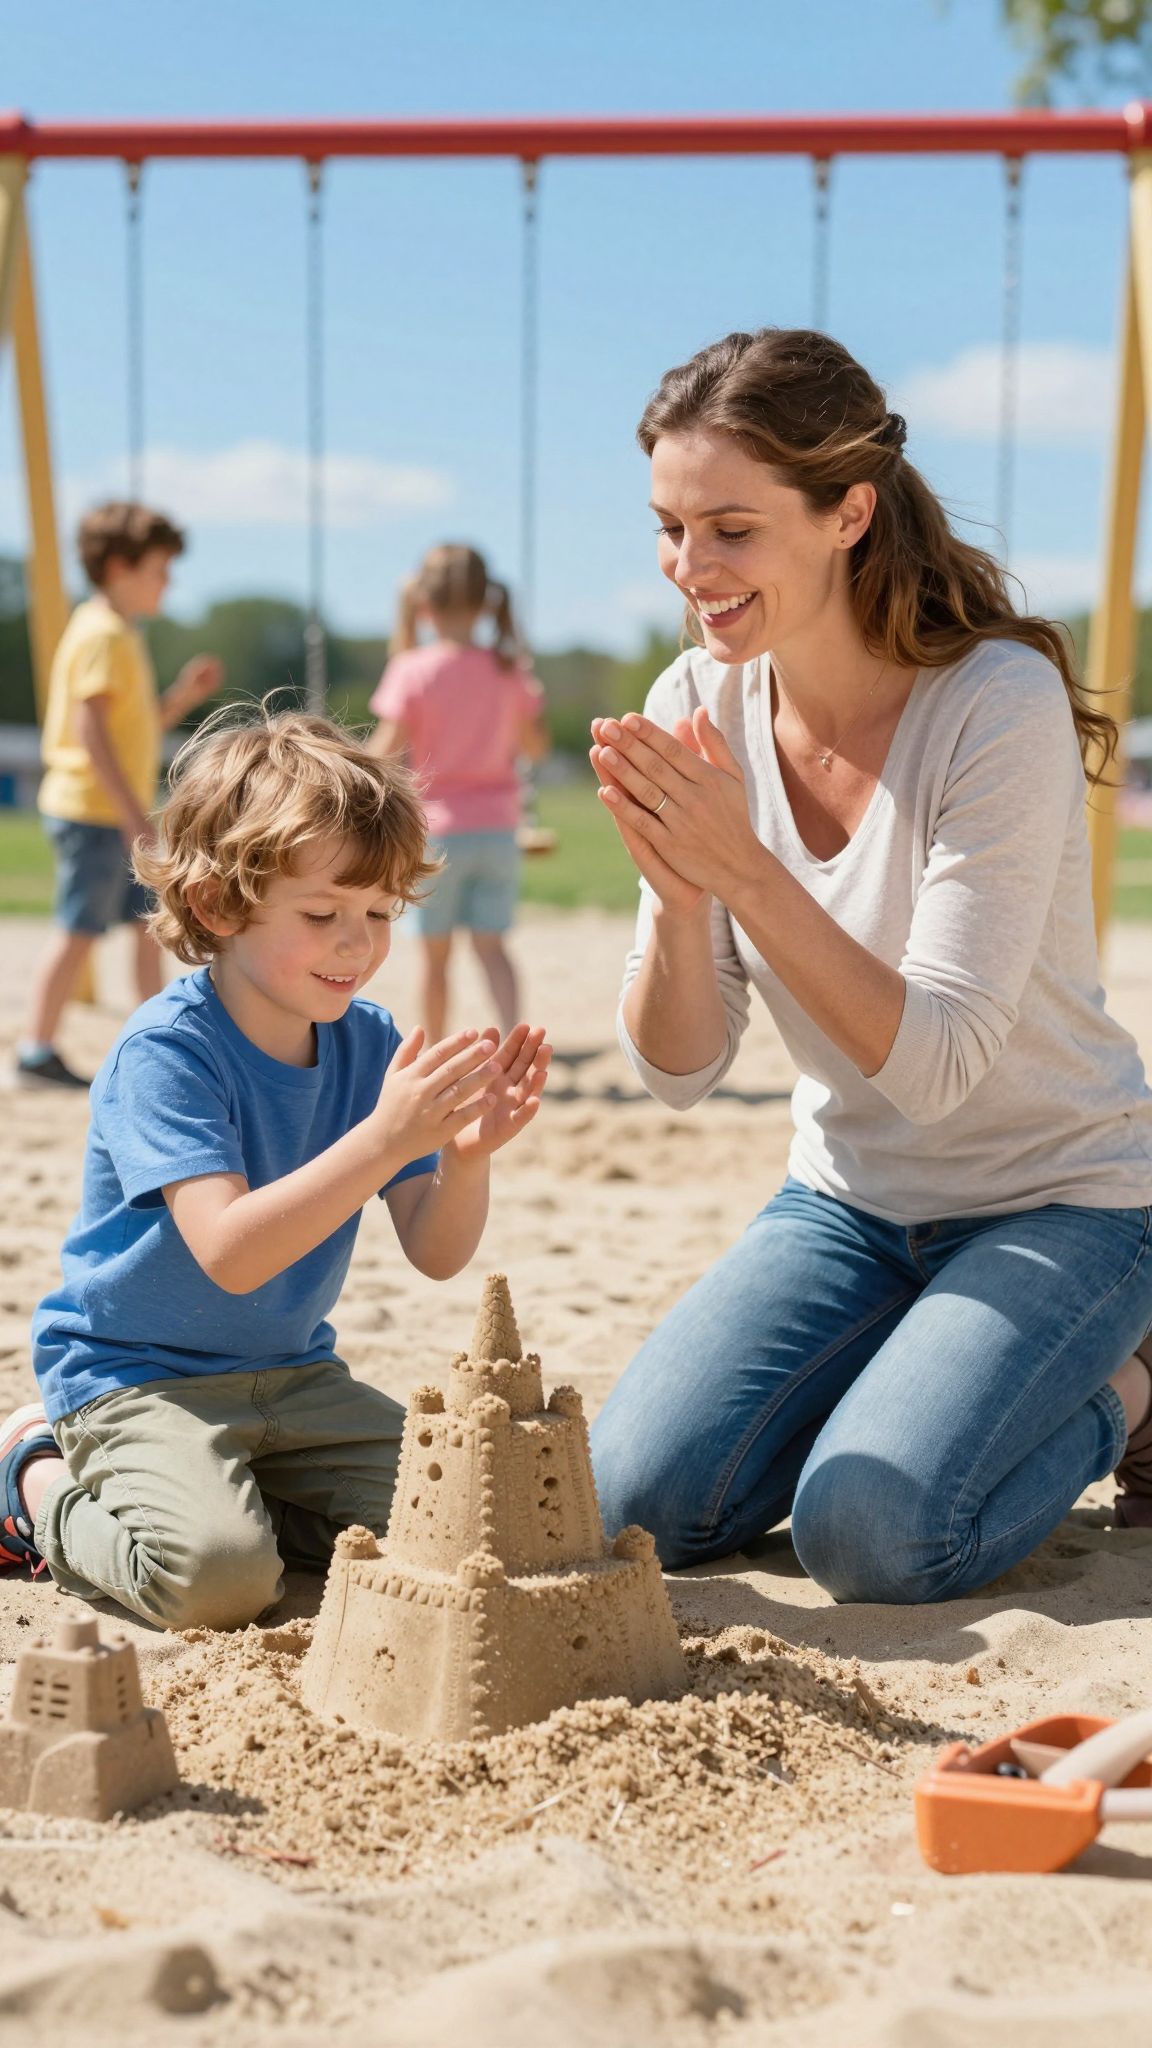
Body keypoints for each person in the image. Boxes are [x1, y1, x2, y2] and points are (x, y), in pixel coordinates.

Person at [587, 327, 1152, 1603]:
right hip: (847, 1204)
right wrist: (680, 894)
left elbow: (938, 1064)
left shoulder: (995, 701)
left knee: (875, 1535)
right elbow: (679, 1070)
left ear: (847, 512)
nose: (691, 568)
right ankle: (914, 1374)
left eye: (732, 529)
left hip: (1062, 1200)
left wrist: (744, 870)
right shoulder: (694, 701)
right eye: (671, 529)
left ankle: (1133, 1387)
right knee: (634, 1507)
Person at [0, 708, 550, 1628]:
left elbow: (436, 1253)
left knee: (474, 1520)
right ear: (218, 905)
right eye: (323, 913)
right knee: (217, 1582)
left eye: (379, 913)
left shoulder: (367, 1043)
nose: (358, 943)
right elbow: (232, 1254)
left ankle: (252, 1501)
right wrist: (384, 1140)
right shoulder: (167, 1052)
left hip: (294, 1378)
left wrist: (464, 1158)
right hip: (138, 1382)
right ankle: (33, 1478)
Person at [16, 501, 224, 1090]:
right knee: (78, 929)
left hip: (108, 811)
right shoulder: (104, 634)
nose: (168, 583)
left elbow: (136, 728)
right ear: (117, 567)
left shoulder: (116, 632)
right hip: (93, 811)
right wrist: (134, 817)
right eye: (159, 570)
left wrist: (182, 695)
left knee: (146, 926)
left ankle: (159, 1038)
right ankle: (34, 1052)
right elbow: (90, 732)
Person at [368, 544, 548, 1042]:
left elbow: (384, 752)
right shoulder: (509, 668)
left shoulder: (412, 668)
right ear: (487, 603)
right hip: (498, 830)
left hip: (437, 833)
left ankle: (431, 1049)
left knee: (435, 957)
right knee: (493, 948)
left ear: (423, 603)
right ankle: (516, 1043)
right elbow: (535, 747)